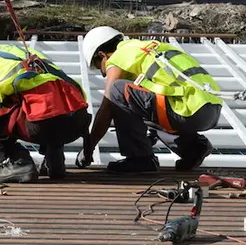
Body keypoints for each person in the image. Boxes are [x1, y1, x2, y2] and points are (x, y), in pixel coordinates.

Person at [0, 26, 91, 183]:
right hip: (78, 122)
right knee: (45, 99)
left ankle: (15, 162)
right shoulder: (23, 52)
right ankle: (54, 160)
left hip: (44, 124)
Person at [77, 26, 222, 173]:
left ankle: (140, 158)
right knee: (140, 104)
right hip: (210, 109)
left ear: (103, 56)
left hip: (187, 110)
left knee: (117, 90)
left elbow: (107, 106)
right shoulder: (145, 48)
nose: (103, 73)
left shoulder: (118, 57)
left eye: (98, 67)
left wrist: (88, 148)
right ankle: (192, 148)